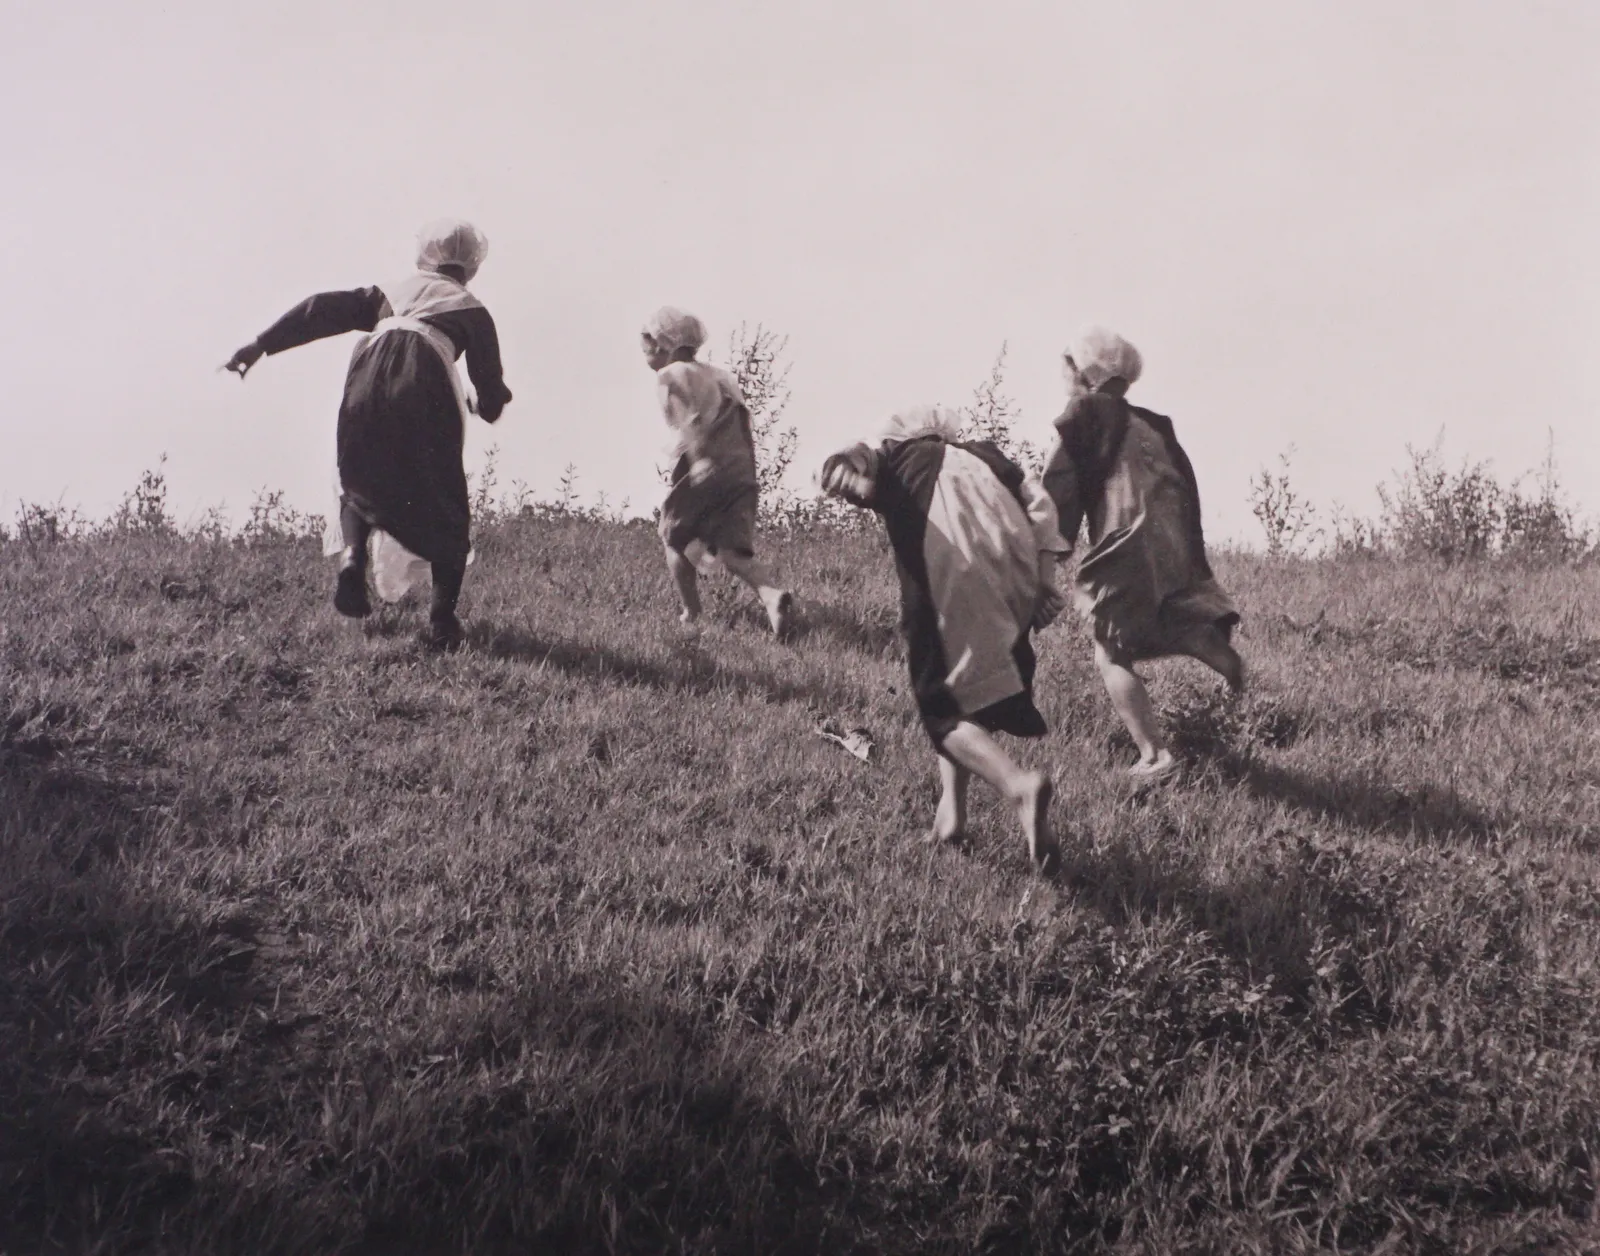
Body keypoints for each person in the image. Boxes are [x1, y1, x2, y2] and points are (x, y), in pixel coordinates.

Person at [223, 219, 513, 651]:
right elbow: (490, 389)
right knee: (442, 492)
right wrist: (486, 406)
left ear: (425, 255)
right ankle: (442, 619)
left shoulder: (391, 292)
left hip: (368, 374)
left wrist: (262, 344)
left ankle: (353, 558)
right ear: (471, 266)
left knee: (359, 474)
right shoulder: (472, 309)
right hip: (426, 380)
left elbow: (320, 310)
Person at [820, 406, 1068, 870]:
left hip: (949, 578)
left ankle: (1018, 786)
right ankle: (951, 819)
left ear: (894, 439)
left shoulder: (898, 460)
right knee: (968, 695)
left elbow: (861, 461)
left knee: (940, 706)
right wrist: (1046, 582)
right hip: (1014, 575)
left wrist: (845, 465)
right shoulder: (984, 456)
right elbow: (1040, 505)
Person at [1042, 328, 1243, 781]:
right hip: (1171, 542)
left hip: (1124, 540)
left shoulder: (1084, 414)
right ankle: (1200, 641)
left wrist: (1048, 545)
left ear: (1082, 373)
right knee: (1149, 622)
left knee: (1110, 651)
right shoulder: (1151, 424)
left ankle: (1155, 756)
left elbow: (1058, 485)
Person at [642, 307, 792, 635]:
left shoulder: (672, 375)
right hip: (740, 469)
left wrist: (697, 461)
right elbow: (740, 423)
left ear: (663, 343)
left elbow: (690, 419)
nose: (645, 351)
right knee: (732, 548)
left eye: (647, 342)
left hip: (703, 463)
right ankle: (771, 596)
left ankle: (690, 613)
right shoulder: (720, 376)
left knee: (674, 537)